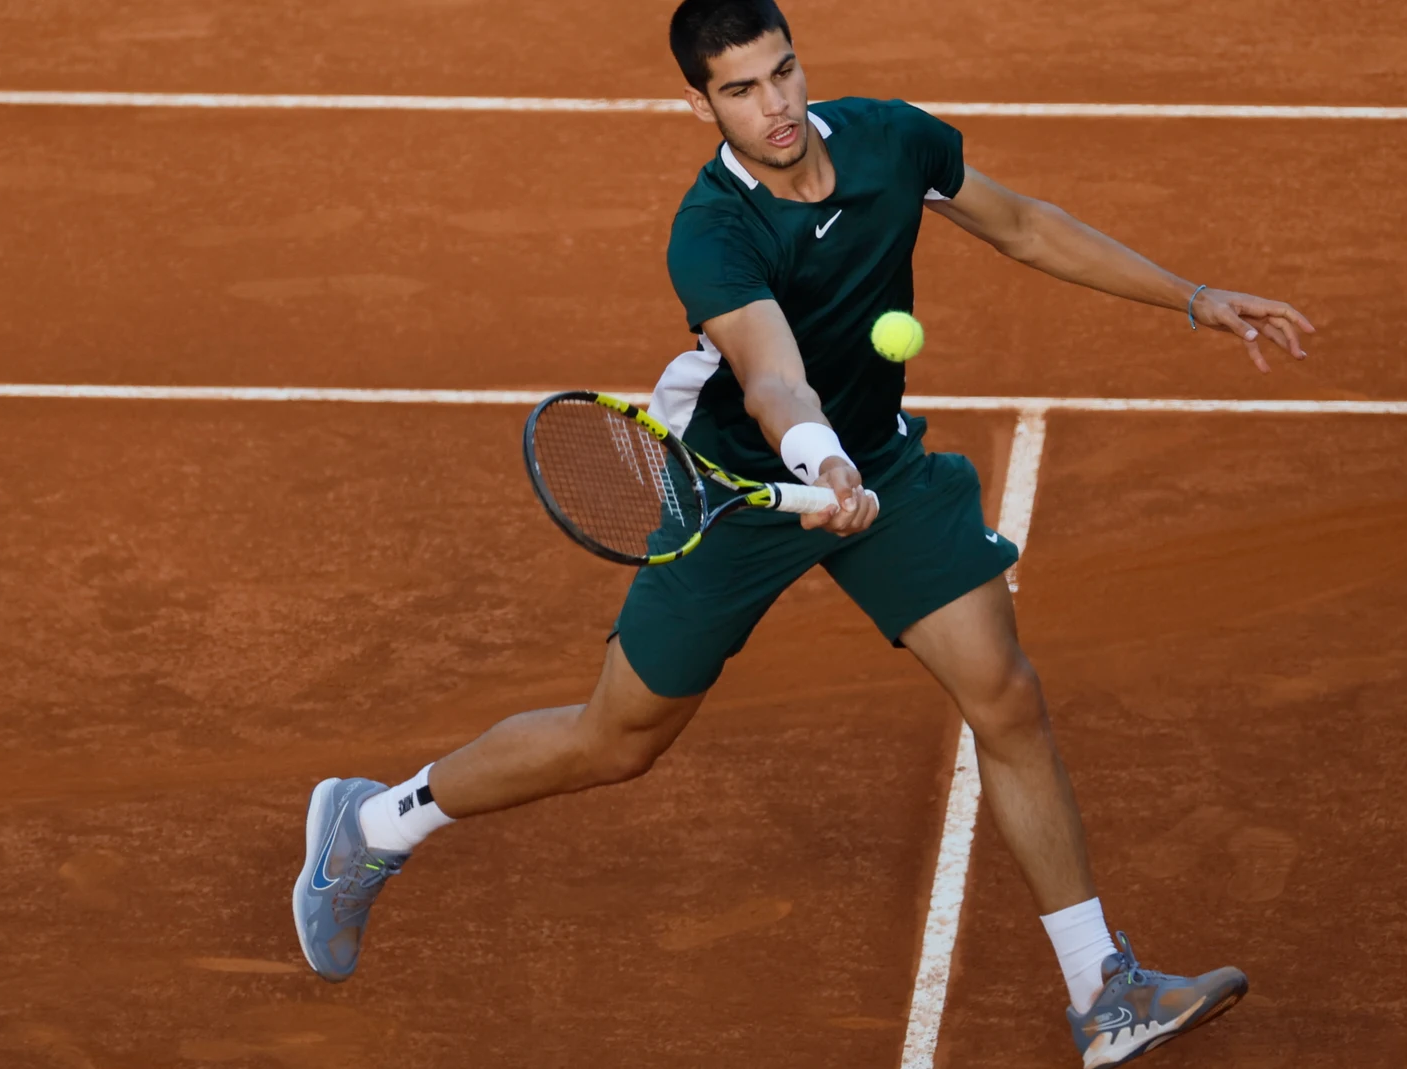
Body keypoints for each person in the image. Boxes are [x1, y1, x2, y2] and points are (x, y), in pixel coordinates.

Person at [292, 2, 1314, 1065]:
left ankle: (1103, 990)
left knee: (1003, 691)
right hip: (737, 493)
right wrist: (816, 461)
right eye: (740, 89)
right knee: (618, 739)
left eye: (782, 73)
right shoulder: (714, 230)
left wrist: (1189, 296)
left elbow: (1021, 224)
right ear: (699, 102)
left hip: (880, 469)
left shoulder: (887, 136)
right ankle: (374, 826)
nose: (775, 106)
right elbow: (772, 371)